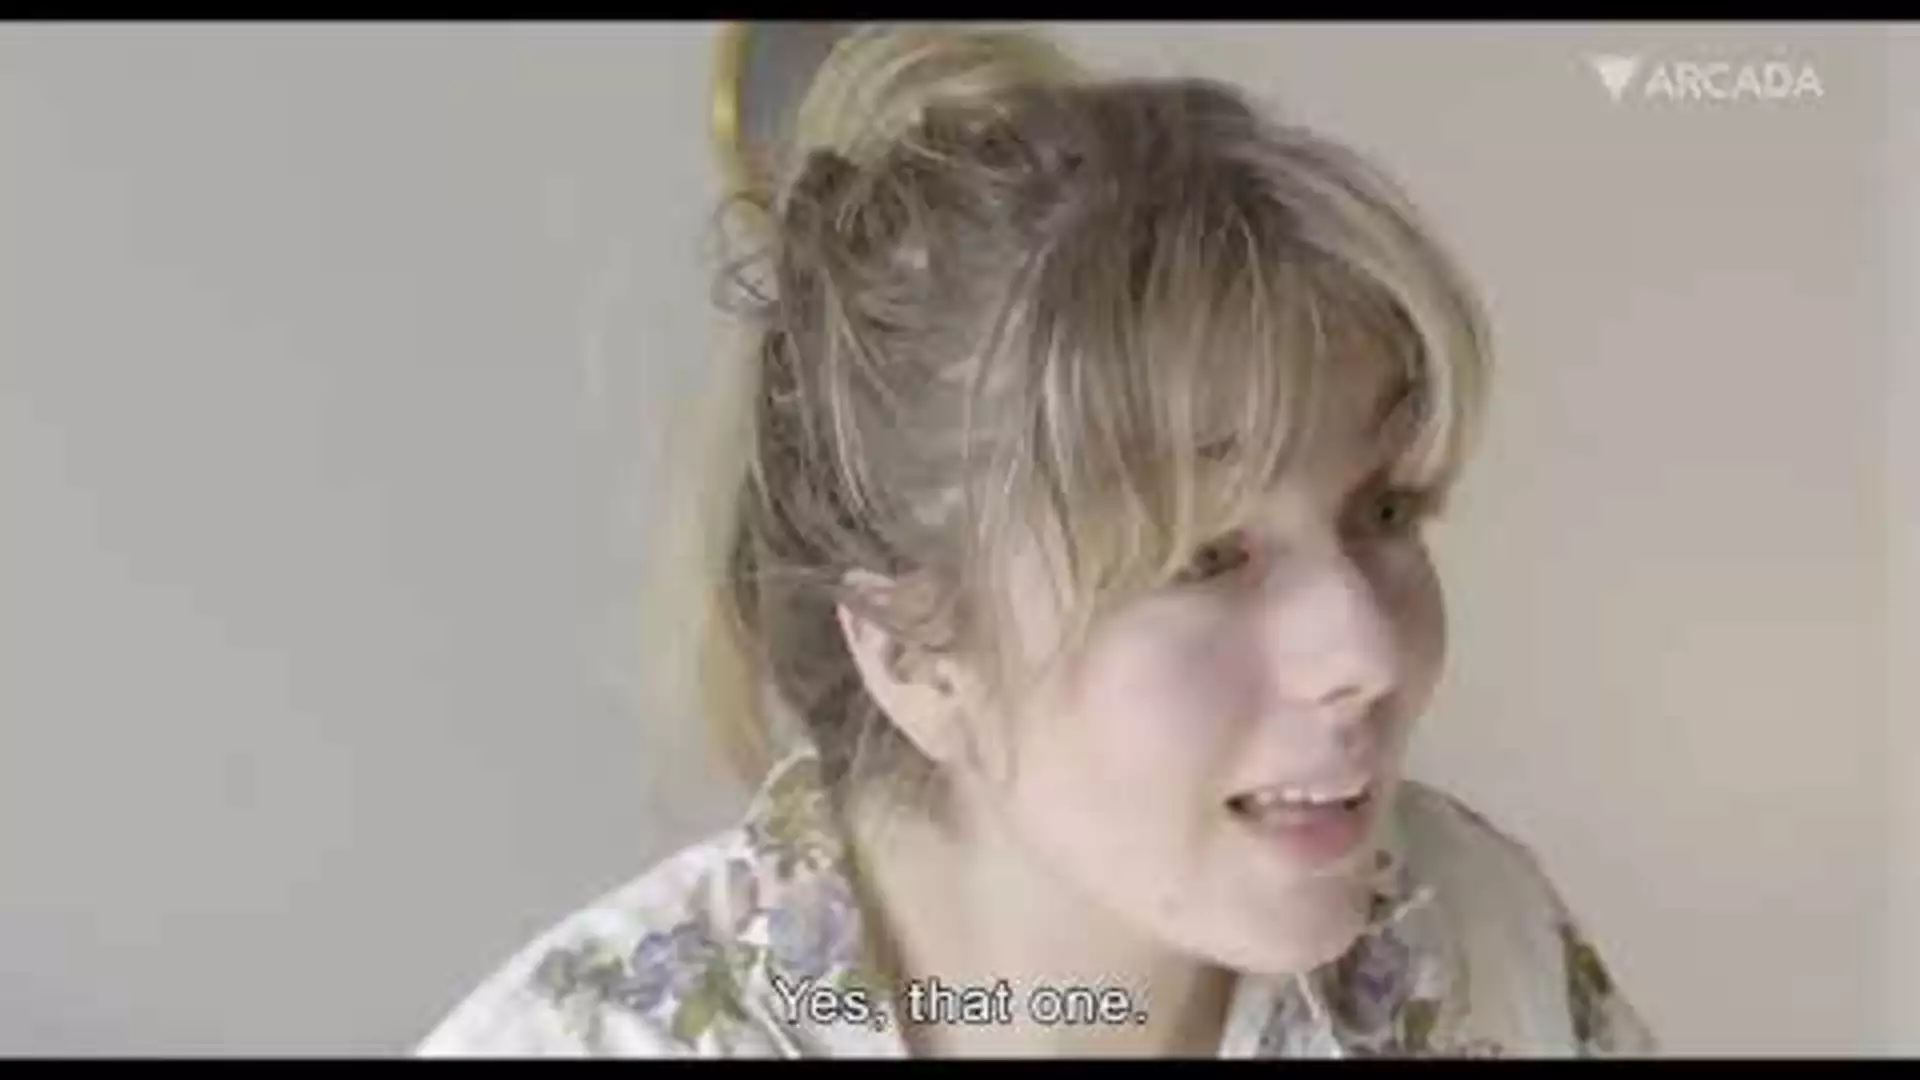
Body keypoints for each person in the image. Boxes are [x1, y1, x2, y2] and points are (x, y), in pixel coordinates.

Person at [416, 23, 1656, 1058]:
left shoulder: (1478, 949)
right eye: (1203, 556)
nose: (1368, 650)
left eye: (1382, 511)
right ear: (915, 656)